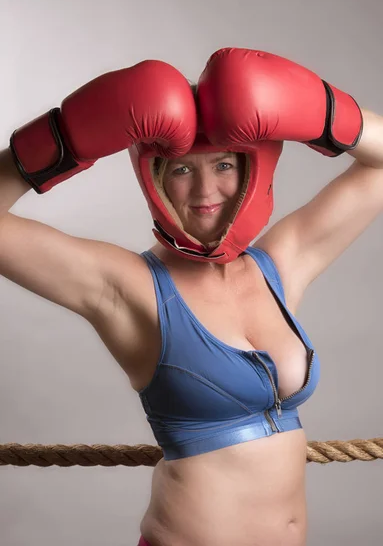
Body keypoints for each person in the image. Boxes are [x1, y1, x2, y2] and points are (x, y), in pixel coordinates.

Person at [1, 48, 383, 546]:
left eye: (224, 164)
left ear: (251, 169)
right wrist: (62, 139)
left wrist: (321, 111)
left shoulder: (279, 267)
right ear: (156, 178)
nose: (206, 190)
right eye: (181, 169)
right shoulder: (130, 286)